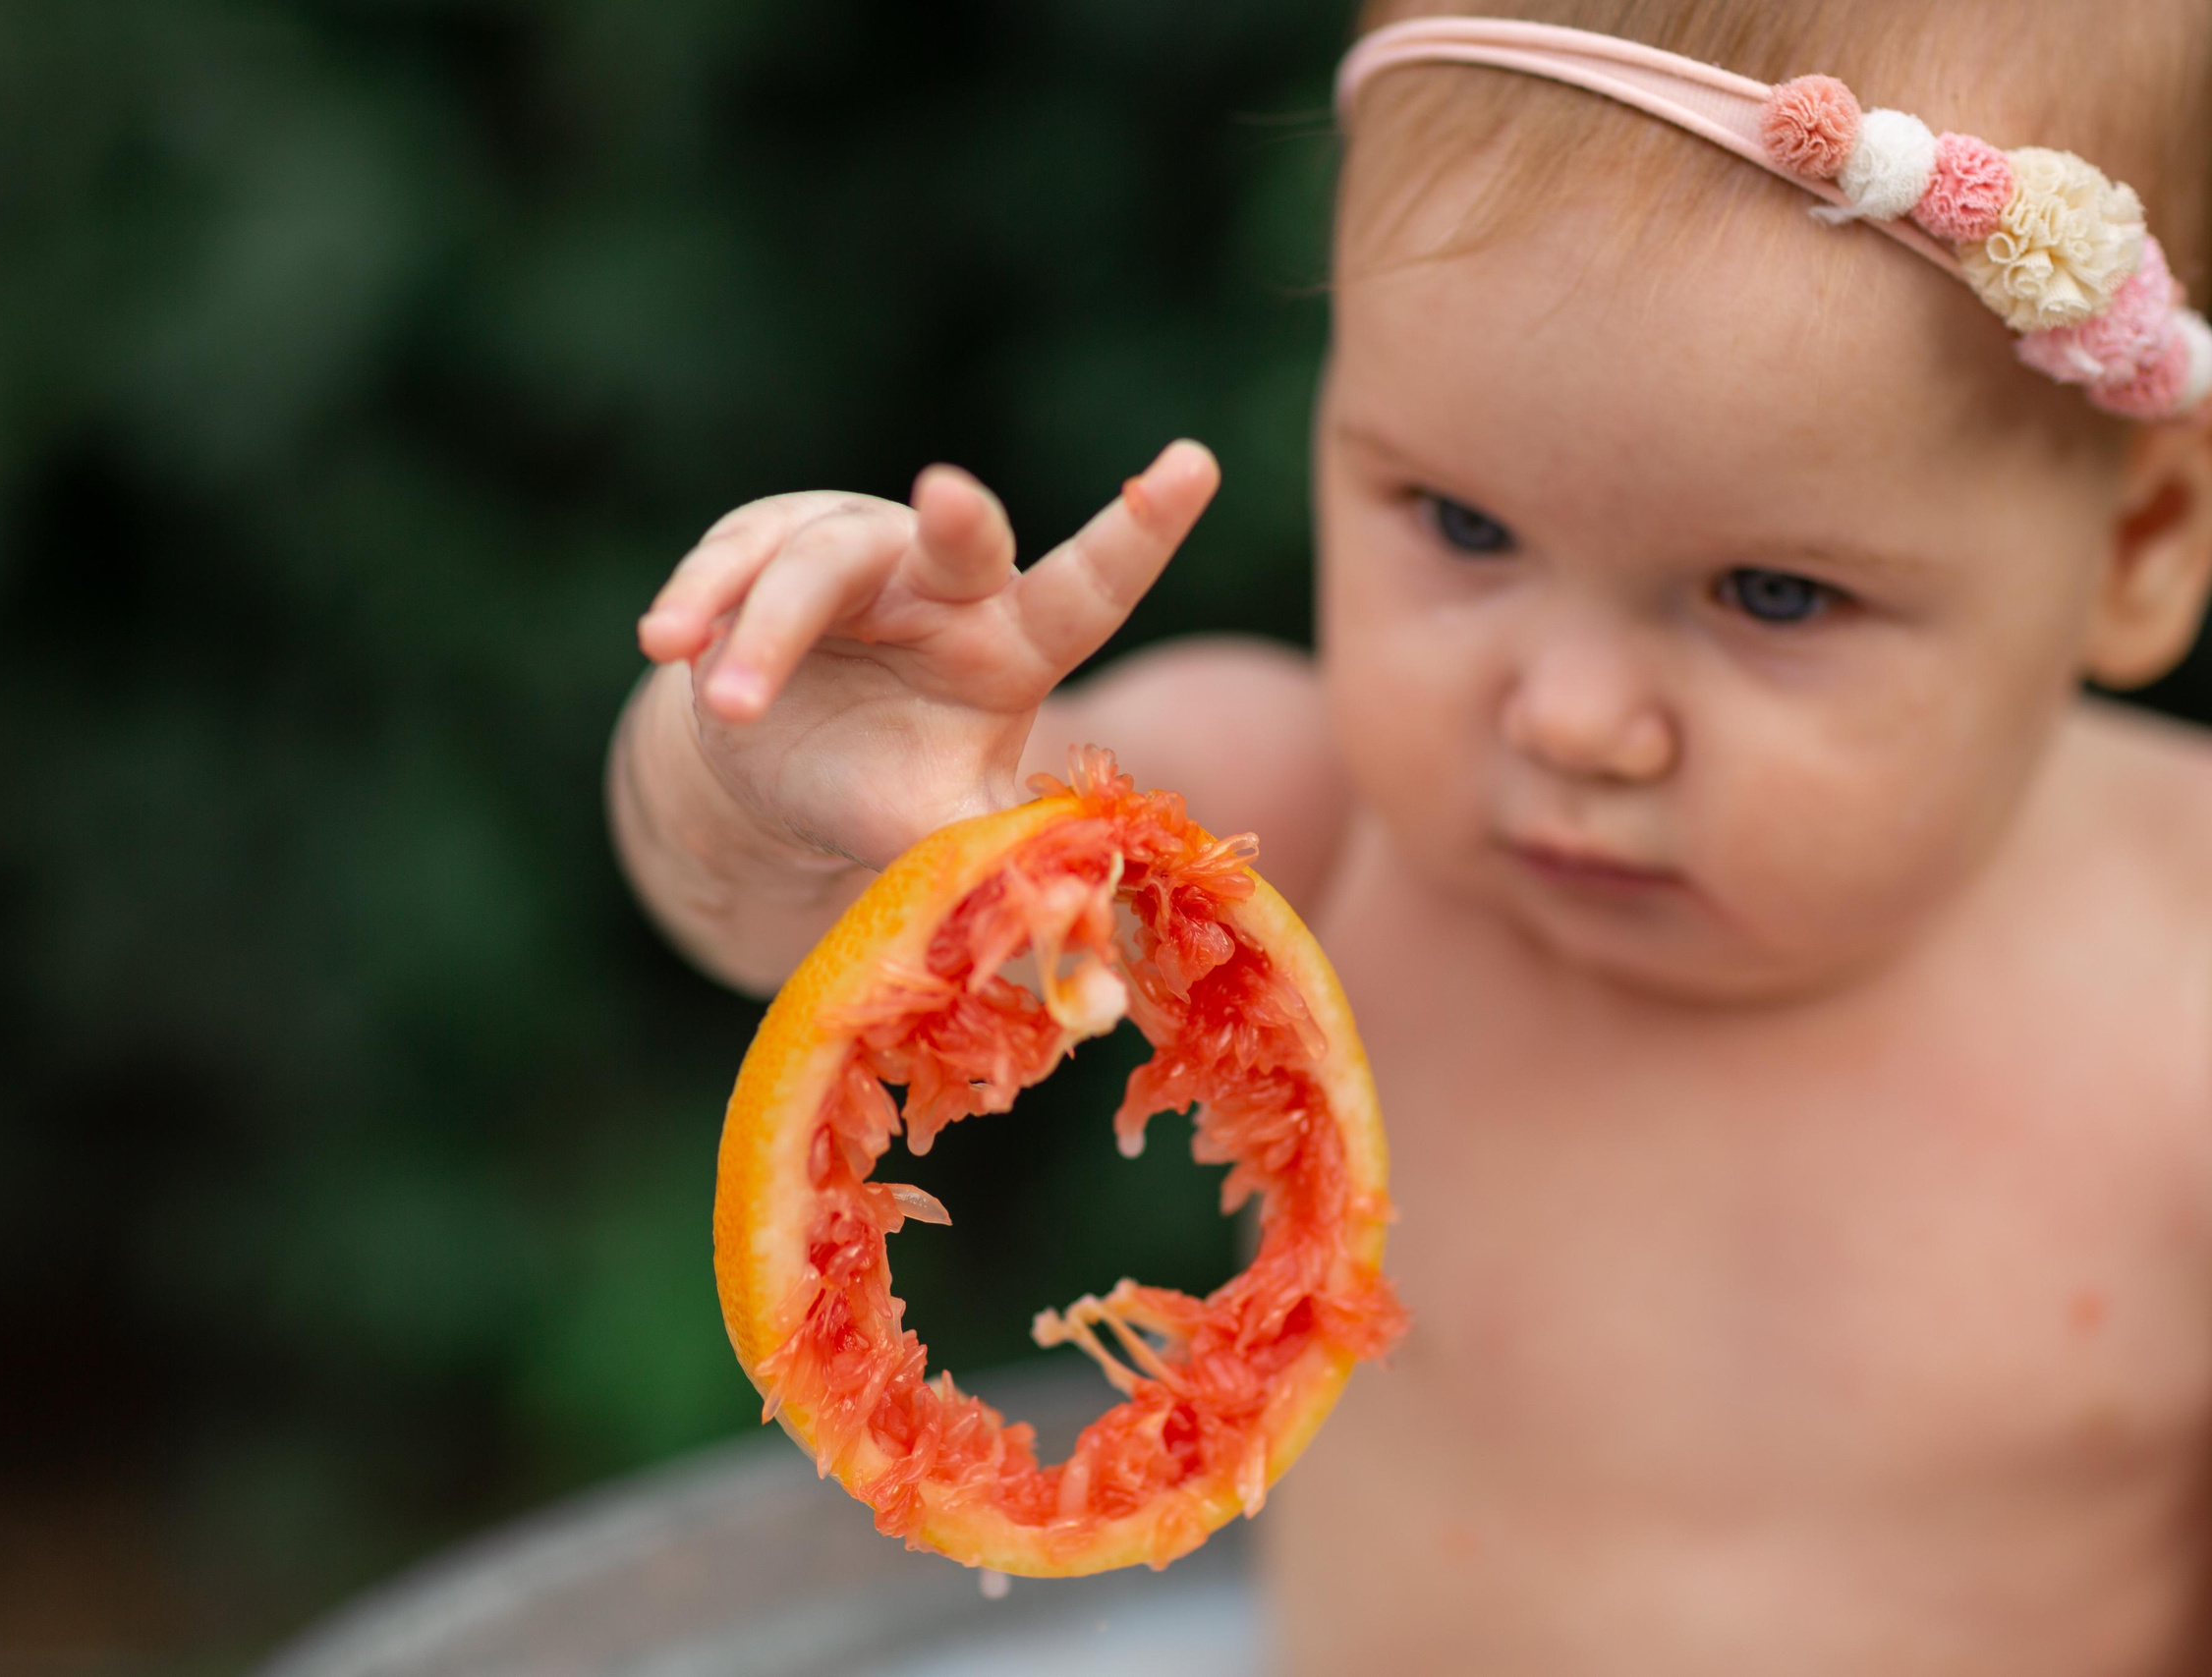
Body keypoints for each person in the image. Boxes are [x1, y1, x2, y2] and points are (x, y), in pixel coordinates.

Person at [608, 1, 2212, 1669]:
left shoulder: (2186, 978)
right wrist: (776, 767)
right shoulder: (1292, 825)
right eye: (1460, 523)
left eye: (1775, 593)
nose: (1573, 717)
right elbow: (785, 927)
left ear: (2144, 538)